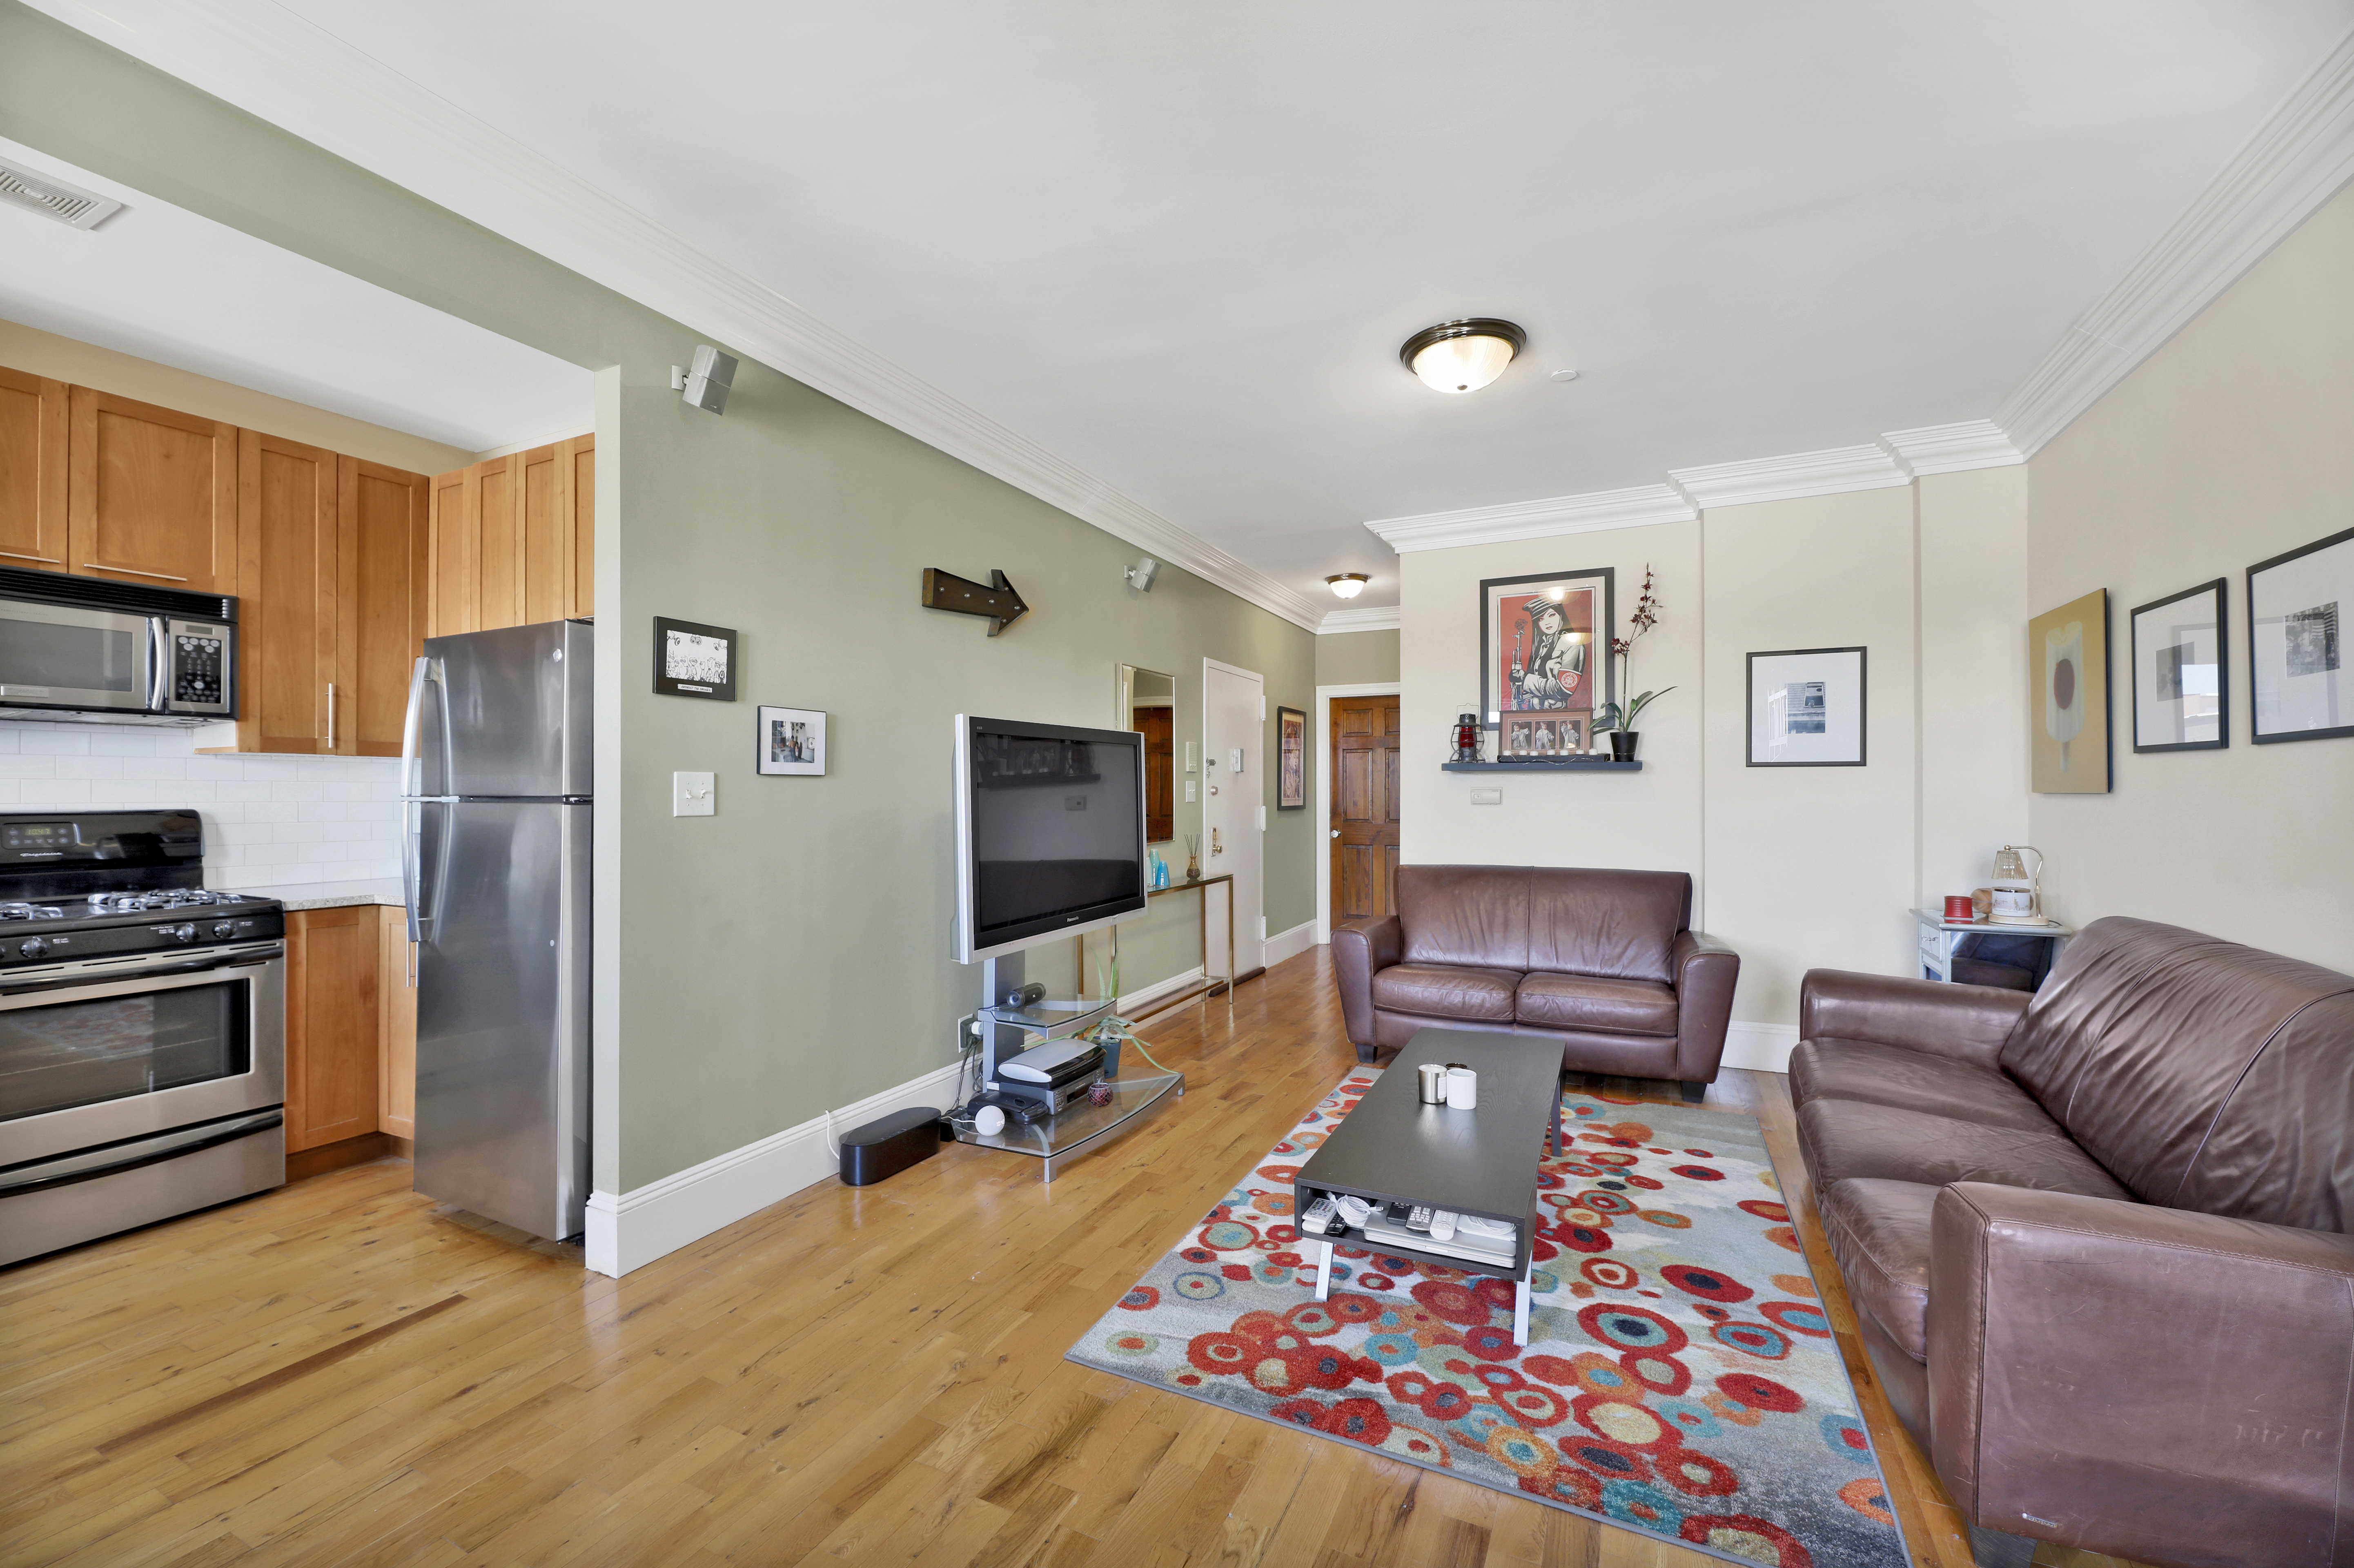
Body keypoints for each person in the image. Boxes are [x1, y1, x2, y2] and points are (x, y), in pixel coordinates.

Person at [1514, 597, 1585, 710]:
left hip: (1557, 714)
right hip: (1534, 712)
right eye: (1541, 619)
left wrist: (1525, 678)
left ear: (1561, 615)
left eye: (1551, 615)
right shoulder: (1543, 645)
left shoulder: (1573, 645)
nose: (1547, 622)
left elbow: (1564, 689)